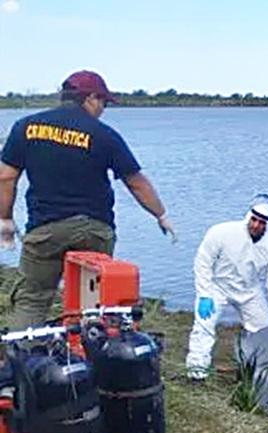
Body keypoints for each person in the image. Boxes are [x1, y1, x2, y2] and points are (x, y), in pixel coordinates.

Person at [0, 70, 175, 328]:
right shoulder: (103, 135)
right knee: (93, 305)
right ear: (90, 98)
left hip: (45, 230)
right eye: (103, 102)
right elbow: (136, 182)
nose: (103, 109)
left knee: (32, 300)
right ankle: (89, 361)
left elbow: (5, 178)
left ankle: (20, 360)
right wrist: (160, 215)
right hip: (95, 230)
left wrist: (5, 220)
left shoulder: (26, 127)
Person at [185, 195, 268, 381]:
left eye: (262, 223)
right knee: (203, 327)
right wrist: (204, 294)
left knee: (264, 332)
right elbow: (203, 262)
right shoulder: (221, 232)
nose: (257, 225)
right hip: (218, 286)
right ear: (248, 216)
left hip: (250, 290)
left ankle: (259, 375)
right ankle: (196, 373)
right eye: (254, 220)